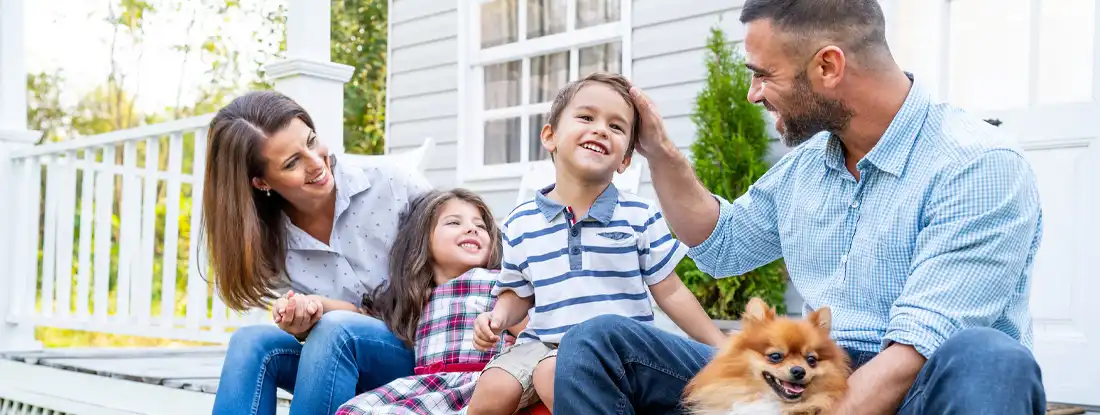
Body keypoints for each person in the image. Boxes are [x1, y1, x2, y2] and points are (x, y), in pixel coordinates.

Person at [552, 1, 1048, 414]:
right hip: (802, 380)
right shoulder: (807, 167)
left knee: (993, 359)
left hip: (914, 388)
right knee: (599, 344)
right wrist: (660, 152)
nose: (752, 94)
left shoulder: (977, 164)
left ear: (827, 67)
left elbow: (914, 355)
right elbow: (720, 244)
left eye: (763, 75)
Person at [467, 72, 728, 414]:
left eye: (617, 127)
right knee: (493, 388)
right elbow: (518, 292)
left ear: (624, 161)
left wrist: (721, 347)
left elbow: (671, 291)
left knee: (552, 374)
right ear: (550, 136)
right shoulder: (521, 221)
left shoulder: (639, 214)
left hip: (610, 351)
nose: (601, 129)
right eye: (587, 117)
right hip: (540, 342)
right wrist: (498, 318)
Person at [203, 90, 433, 414]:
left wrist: (327, 317)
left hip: (427, 351)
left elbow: (473, 265)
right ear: (261, 182)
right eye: (292, 162)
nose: (316, 163)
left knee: (333, 329)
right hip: (343, 362)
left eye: (311, 142)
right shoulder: (270, 241)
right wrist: (306, 323)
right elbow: (340, 328)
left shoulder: (393, 184)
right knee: (250, 343)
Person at [335, 189, 526, 415]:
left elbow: (532, 331)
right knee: (353, 410)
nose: (472, 228)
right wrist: (315, 306)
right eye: (454, 222)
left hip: (479, 387)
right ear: (423, 239)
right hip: (428, 388)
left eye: (481, 226)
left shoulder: (496, 283)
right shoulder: (418, 296)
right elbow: (358, 316)